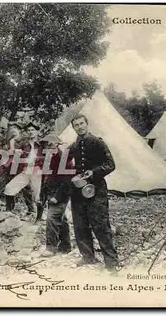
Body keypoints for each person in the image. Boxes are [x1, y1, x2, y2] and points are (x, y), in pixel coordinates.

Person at [66, 114, 118, 270]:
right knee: (80, 225)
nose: (80, 127)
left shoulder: (97, 142)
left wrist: (93, 172)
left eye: (82, 123)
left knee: (101, 225)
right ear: (73, 128)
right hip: (78, 191)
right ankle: (88, 257)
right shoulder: (73, 146)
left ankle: (111, 263)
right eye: (76, 125)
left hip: (96, 189)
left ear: (87, 124)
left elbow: (111, 165)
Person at [38, 134, 74, 257]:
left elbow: (67, 181)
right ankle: (65, 245)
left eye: (50, 144)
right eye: (46, 145)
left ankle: (51, 247)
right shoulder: (48, 158)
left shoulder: (64, 159)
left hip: (61, 194)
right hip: (50, 192)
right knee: (61, 219)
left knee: (52, 218)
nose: (48, 147)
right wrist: (42, 195)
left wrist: (57, 197)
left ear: (56, 145)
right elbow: (45, 178)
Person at [3, 122, 44, 218]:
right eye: (29, 130)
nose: (31, 132)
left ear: (37, 131)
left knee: (38, 196)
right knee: (9, 188)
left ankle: (39, 218)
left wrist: (37, 160)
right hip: (25, 171)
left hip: (37, 171)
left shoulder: (42, 143)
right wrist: (15, 151)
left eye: (33, 130)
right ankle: (8, 213)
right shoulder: (23, 143)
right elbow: (11, 149)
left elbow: (48, 156)